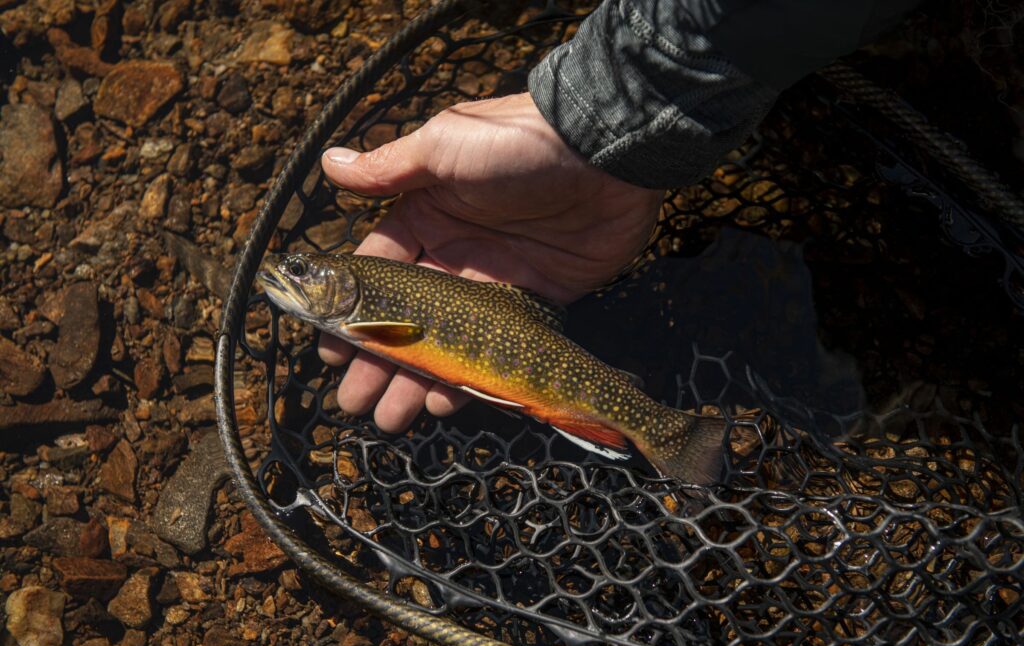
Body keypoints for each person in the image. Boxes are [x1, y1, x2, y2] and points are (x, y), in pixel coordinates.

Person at [316, 0, 922, 434]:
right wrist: (597, 122)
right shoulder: (372, 303)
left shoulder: (370, 304)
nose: (291, 276)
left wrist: (601, 117)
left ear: (342, 288)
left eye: (301, 269)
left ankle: (668, 433)